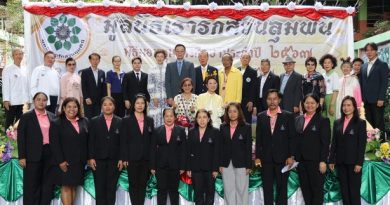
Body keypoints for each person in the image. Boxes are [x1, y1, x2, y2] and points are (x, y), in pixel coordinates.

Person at [255, 89, 295, 205]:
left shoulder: (287, 116)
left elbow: (292, 138)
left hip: (283, 159)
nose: (272, 101)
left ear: (279, 100)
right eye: (269, 99)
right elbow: (259, 139)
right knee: (267, 189)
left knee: (282, 189)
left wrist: (291, 156)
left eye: (275, 99)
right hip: (266, 159)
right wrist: (257, 156)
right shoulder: (261, 116)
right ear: (266, 100)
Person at [17, 92, 56, 205]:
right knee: (32, 185)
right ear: (34, 101)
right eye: (38, 99)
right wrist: (22, 156)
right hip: (32, 155)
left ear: (47, 102)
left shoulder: (52, 116)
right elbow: (21, 138)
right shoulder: (26, 117)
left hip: (49, 154)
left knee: (47, 185)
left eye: (44, 100)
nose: (41, 102)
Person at [50, 97, 89, 205]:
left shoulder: (84, 121)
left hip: (79, 162)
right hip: (65, 162)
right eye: (69, 107)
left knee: (74, 187)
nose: (72, 109)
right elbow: (54, 144)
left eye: (75, 106)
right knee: (66, 187)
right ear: (63, 108)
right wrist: (61, 161)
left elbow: (87, 141)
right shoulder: (56, 123)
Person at [329, 96, 367, 205]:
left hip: (354, 163)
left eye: (349, 105)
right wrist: (331, 160)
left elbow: (362, 144)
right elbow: (334, 142)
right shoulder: (337, 122)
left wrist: (359, 163)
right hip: (340, 162)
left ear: (354, 107)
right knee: (344, 192)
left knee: (354, 193)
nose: (346, 108)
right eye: (344, 105)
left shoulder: (360, 123)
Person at [295, 94, 331, 205]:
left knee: (317, 192)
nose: (309, 105)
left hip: (316, 162)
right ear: (303, 104)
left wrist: (323, 161)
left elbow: (325, 143)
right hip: (301, 162)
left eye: (312, 103)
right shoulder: (297, 119)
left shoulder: (323, 120)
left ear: (317, 105)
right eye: (307, 103)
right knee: (306, 191)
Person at [88, 96, 123, 205]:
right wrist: (90, 157)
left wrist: (122, 158)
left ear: (114, 106)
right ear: (101, 107)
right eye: (105, 104)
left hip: (115, 161)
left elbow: (123, 142)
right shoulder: (94, 121)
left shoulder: (120, 121)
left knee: (111, 190)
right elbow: (90, 141)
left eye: (110, 104)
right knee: (100, 189)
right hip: (98, 160)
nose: (108, 107)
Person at [121, 94, 154, 205]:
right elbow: (123, 141)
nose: (140, 105)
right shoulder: (126, 120)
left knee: (143, 184)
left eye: (142, 103)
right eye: (137, 103)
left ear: (145, 105)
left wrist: (152, 161)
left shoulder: (150, 120)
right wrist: (124, 157)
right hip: (132, 158)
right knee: (134, 184)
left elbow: (152, 143)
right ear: (133, 105)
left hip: (146, 159)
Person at [150, 108, 186, 205]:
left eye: (171, 116)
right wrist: (152, 166)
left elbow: (183, 150)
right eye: (166, 116)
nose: (169, 118)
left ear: (175, 117)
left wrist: (183, 166)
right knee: (161, 191)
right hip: (160, 166)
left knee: (174, 191)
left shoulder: (181, 130)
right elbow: (152, 149)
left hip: (175, 166)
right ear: (163, 117)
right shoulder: (157, 130)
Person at [219, 102, 252, 205]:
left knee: (242, 191)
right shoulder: (223, 126)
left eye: (234, 111)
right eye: (229, 111)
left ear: (239, 112)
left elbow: (248, 148)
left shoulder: (246, 127)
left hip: (242, 163)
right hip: (226, 163)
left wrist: (248, 165)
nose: (232, 114)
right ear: (227, 113)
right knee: (228, 191)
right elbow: (221, 147)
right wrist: (220, 164)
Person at [186, 109, 220, 205]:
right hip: (196, 169)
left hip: (210, 169)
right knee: (198, 195)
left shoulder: (215, 132)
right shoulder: (192, 131)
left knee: (210, 195)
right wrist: (188, 167)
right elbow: (188, 151)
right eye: (199, 117)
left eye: (204, 117)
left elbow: (217, 152)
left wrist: (215, 169)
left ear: (209, 119)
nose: (202, 120)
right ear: (196, 119)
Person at [361, 42, 389, 139]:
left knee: (379, 124)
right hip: (366, 101)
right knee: (369, 125)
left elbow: (384, 83)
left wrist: (381, 98)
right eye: (367, 50)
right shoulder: (363, 66)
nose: (369, 52)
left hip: (377, 101)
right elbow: (362, 84)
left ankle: (383, 147)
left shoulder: (382, 65)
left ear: (376, 51)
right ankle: (372, 146)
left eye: (371, 50)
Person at [2, 47, 29, 129]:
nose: (19, 56)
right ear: (13, 56)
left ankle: (18, 139)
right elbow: (5, 85)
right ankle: (8, 140)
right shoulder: (7, 69)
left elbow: (26, 86)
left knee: (20, 122)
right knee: (9, 123)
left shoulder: (25, 69)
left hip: (22, 102)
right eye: (16, 54)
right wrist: (6, 100)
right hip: (11, 102)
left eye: (21, 54)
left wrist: (27, 100)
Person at [80, 53, 106, 119]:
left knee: (97, 119)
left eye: (97, 59)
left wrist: (104, 100)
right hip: (89, 100)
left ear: (99, 61)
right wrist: (86, 97)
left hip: (99, 101)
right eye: (93, 59)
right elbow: (83, 86)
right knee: (88, 119)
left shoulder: (102, 72)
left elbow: (103, 88)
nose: (95, 61)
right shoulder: (85, 72)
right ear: (90, 60)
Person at [148, 49, 169, 127]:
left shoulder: (168, 68)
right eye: (158, 56)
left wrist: (168, 96)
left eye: (161, 56)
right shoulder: (151, 69)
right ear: (155, 57)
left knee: (166, 115)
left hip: (165, 98)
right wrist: (153, 97)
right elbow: (150, 84)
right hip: (155, 98)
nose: (159, 58)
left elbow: (169, 83)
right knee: (155, 117)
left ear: (164, 58)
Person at [320, 54, 340, 129]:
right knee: (323, 120)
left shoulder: (334, 74)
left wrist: (331, 105)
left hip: (331, 97)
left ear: (332, 64)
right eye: (325, 63)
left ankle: (331, 140)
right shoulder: (323, 75)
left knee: (331, 121)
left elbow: (336, 91)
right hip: (323, 98)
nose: (327, 64)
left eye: (329, 63)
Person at [238, 52, 257, 123]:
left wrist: (251, 101)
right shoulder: (236, 70)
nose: (245, 59)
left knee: (247, 120)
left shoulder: (253, 72)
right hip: (237, 100)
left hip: (247, 101)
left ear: (249, 60)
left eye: (247, 58)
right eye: (243, 58)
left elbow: (253, 88)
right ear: (240, 59)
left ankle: (248, 134)